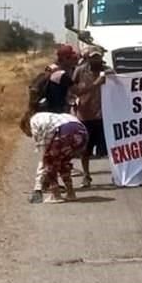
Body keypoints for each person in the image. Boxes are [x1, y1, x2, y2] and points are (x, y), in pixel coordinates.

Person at [24, 44, 79, 199]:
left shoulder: (50, 69)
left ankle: (48, 184)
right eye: (71, 58)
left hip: (43, 116)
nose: (73, 60)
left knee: (52, 154)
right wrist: (98, 83)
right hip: (54, 120)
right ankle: (38, 189)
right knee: (49, 155)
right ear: (64, 58)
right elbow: (78, 91)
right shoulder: (62, 74)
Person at [25, 112, 88, 204]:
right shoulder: (51, 117)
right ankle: (71, 193)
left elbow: (44, 156)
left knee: (50, 162)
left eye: (28, 134)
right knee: (64, 161)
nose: (29, 136)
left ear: (26, 126)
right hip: (82, 133)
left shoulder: (33, 122)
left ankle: (56, 195)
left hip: (65, 133)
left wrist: (38, 186)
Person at [71, 47, 107, 188]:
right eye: (93, 57)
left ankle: (118, 174)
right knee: (85, 149)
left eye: (98, 57)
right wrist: (96, 84)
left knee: (110, 148)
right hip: (86, 115)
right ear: (88, 58)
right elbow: (74, 90)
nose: (96, 60)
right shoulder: (80, 71)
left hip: (105, 115)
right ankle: (86, 175)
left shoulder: (108, 71)